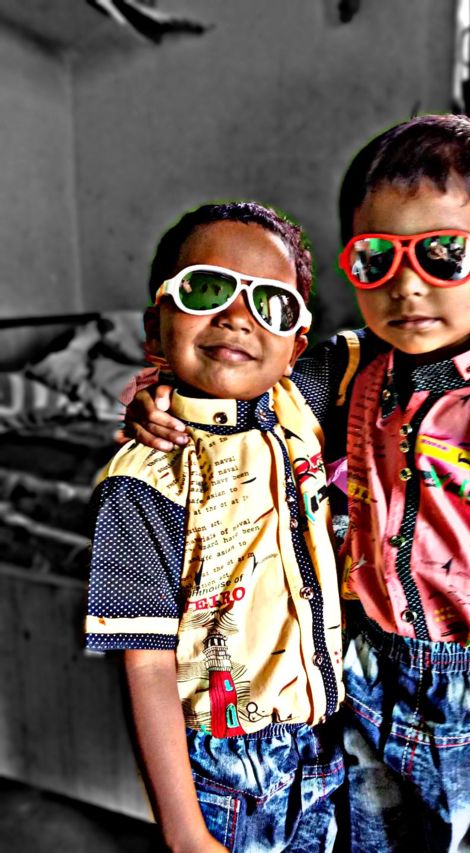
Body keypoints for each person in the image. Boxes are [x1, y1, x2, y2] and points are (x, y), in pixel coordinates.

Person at [123, 116, 470, 853]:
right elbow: (233, 382)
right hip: (355, 684)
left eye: (444, 254)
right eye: (377, 258)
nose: (407, 285)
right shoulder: (350, 375)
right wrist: (157, 394)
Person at [85, 201, 355, 853]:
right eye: (206, 289)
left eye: (271, 304)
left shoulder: (300, 401)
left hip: (324, 744)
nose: (237, 316)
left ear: (295, 346)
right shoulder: (144, 480)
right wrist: (184, 832)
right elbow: (146, 665)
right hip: (225, 770)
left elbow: (406, 326)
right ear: (156, 326)